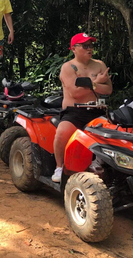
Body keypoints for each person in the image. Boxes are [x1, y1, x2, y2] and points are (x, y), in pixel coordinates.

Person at [52, 33, 112, 182]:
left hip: (97, 110)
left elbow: (109, 90)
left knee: (115, 135)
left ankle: (102, 166)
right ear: (74, 48)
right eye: (85, 46)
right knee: (62, 132)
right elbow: (75, 93)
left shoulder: (99, 64)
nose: (89, 49)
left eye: (91, 45)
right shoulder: (68, 67)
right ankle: (59, 167)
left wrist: (92, 84)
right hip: (74, 112)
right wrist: (97, 82)